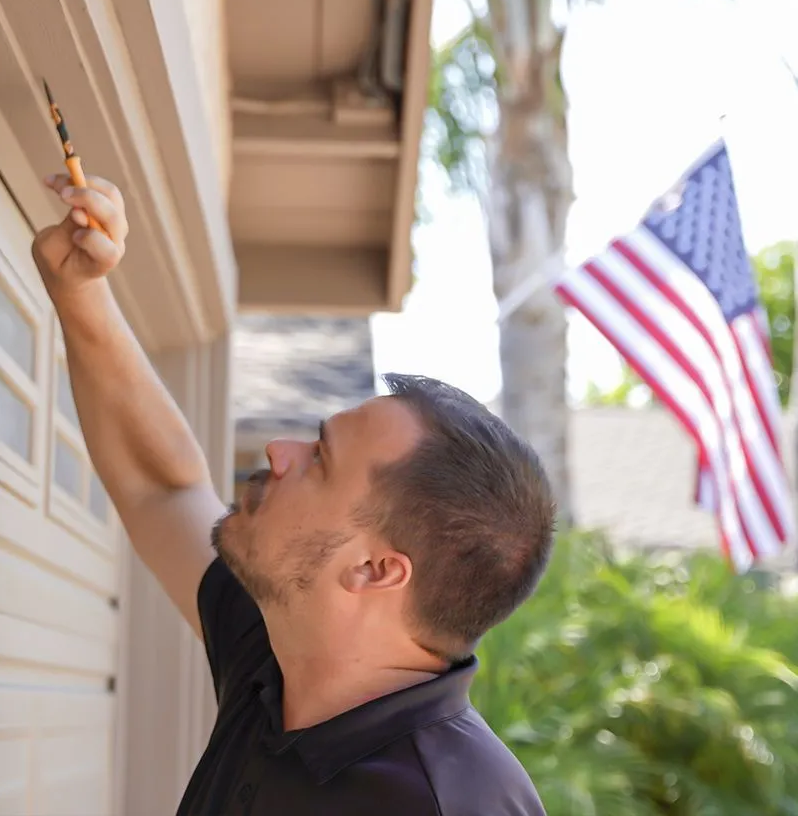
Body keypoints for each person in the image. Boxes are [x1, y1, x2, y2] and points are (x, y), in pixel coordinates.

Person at [33, 172, 556, 816]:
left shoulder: (452, 802)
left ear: (374, 569)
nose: (280, 452)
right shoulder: (278, 658)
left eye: (321, 459)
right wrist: (80, 289)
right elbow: (164, 488)